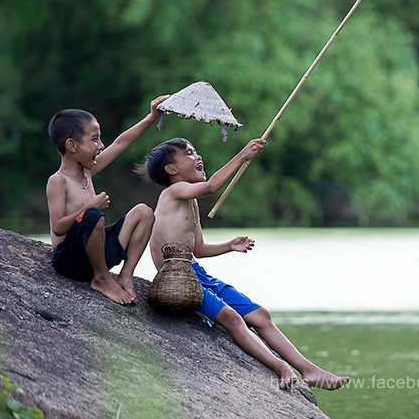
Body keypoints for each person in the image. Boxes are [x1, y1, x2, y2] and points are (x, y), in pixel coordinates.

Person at [139, 137, 350, 391]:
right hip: (178, 279)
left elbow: (199, 249)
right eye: (189, 154)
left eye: (195, 151)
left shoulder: (191, 201)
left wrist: (230, 245)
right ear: (171, 169)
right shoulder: (172, 193)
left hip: (197, 273)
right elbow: (212, 186)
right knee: (233, 318)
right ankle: (281, 366)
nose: (197, 156)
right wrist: (243, 155)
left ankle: (309, 369)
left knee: (261, 315)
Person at [46, 95, 168, 305]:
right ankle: (102, 279)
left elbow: (120, 144)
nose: (101, 145)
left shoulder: (87, 171)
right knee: (93, 214)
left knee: (144, 212)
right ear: (72, 145)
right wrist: (89, 207)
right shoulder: (58, 181)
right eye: (94, 140)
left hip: (96, 256)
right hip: (70, 260)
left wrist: (151, 118)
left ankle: (125, 275)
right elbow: (58, 228)